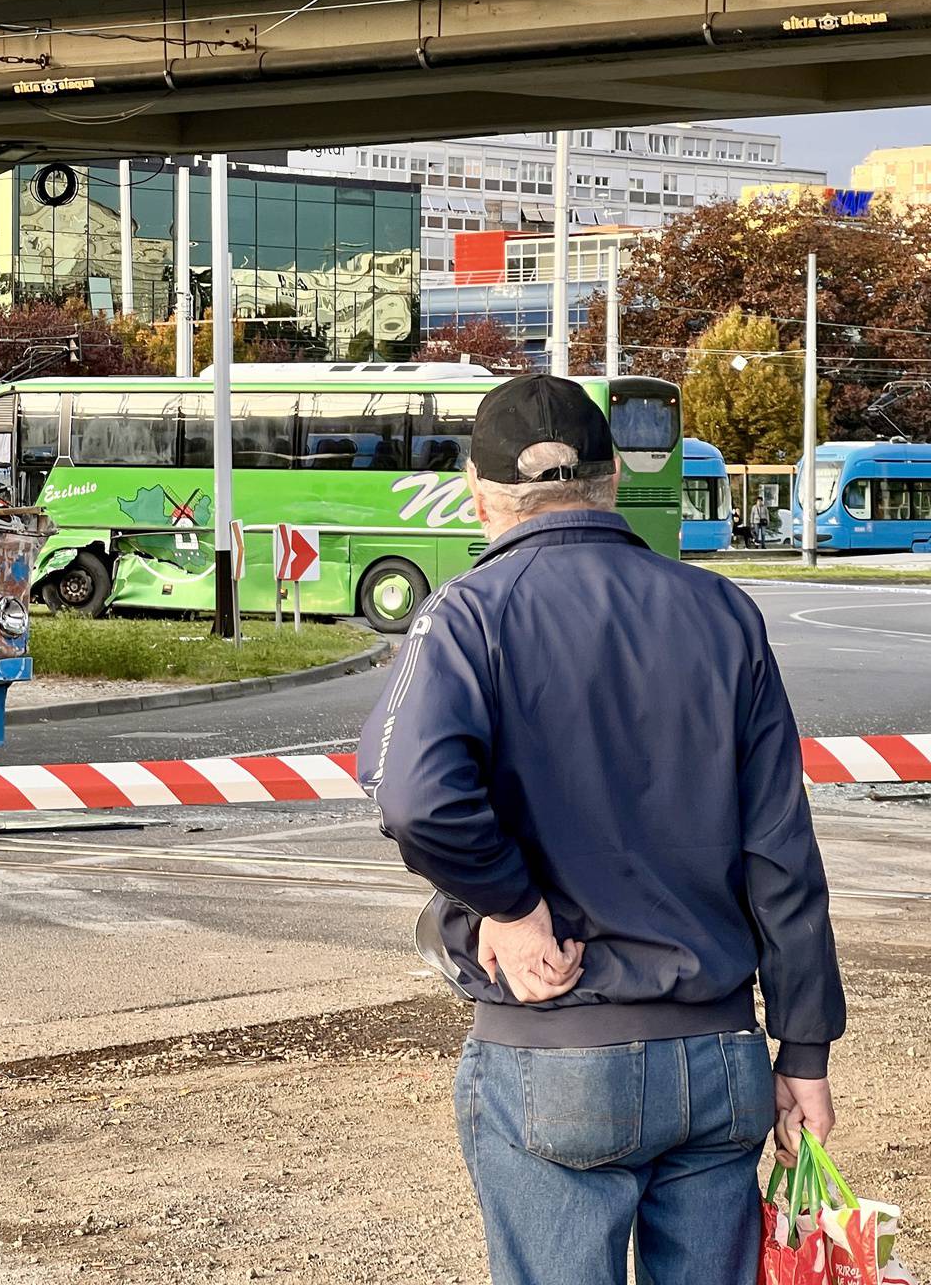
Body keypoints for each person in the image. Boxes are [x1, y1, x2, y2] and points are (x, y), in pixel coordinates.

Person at [357, 374, 843, 1285]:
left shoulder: (468, 615)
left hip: (556, 1055)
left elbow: (412, 794)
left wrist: (511, 906)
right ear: (614, 476)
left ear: (478, 489)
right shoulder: (724, 614)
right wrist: (804, 1049)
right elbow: (782, 851)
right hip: (720, 1061)